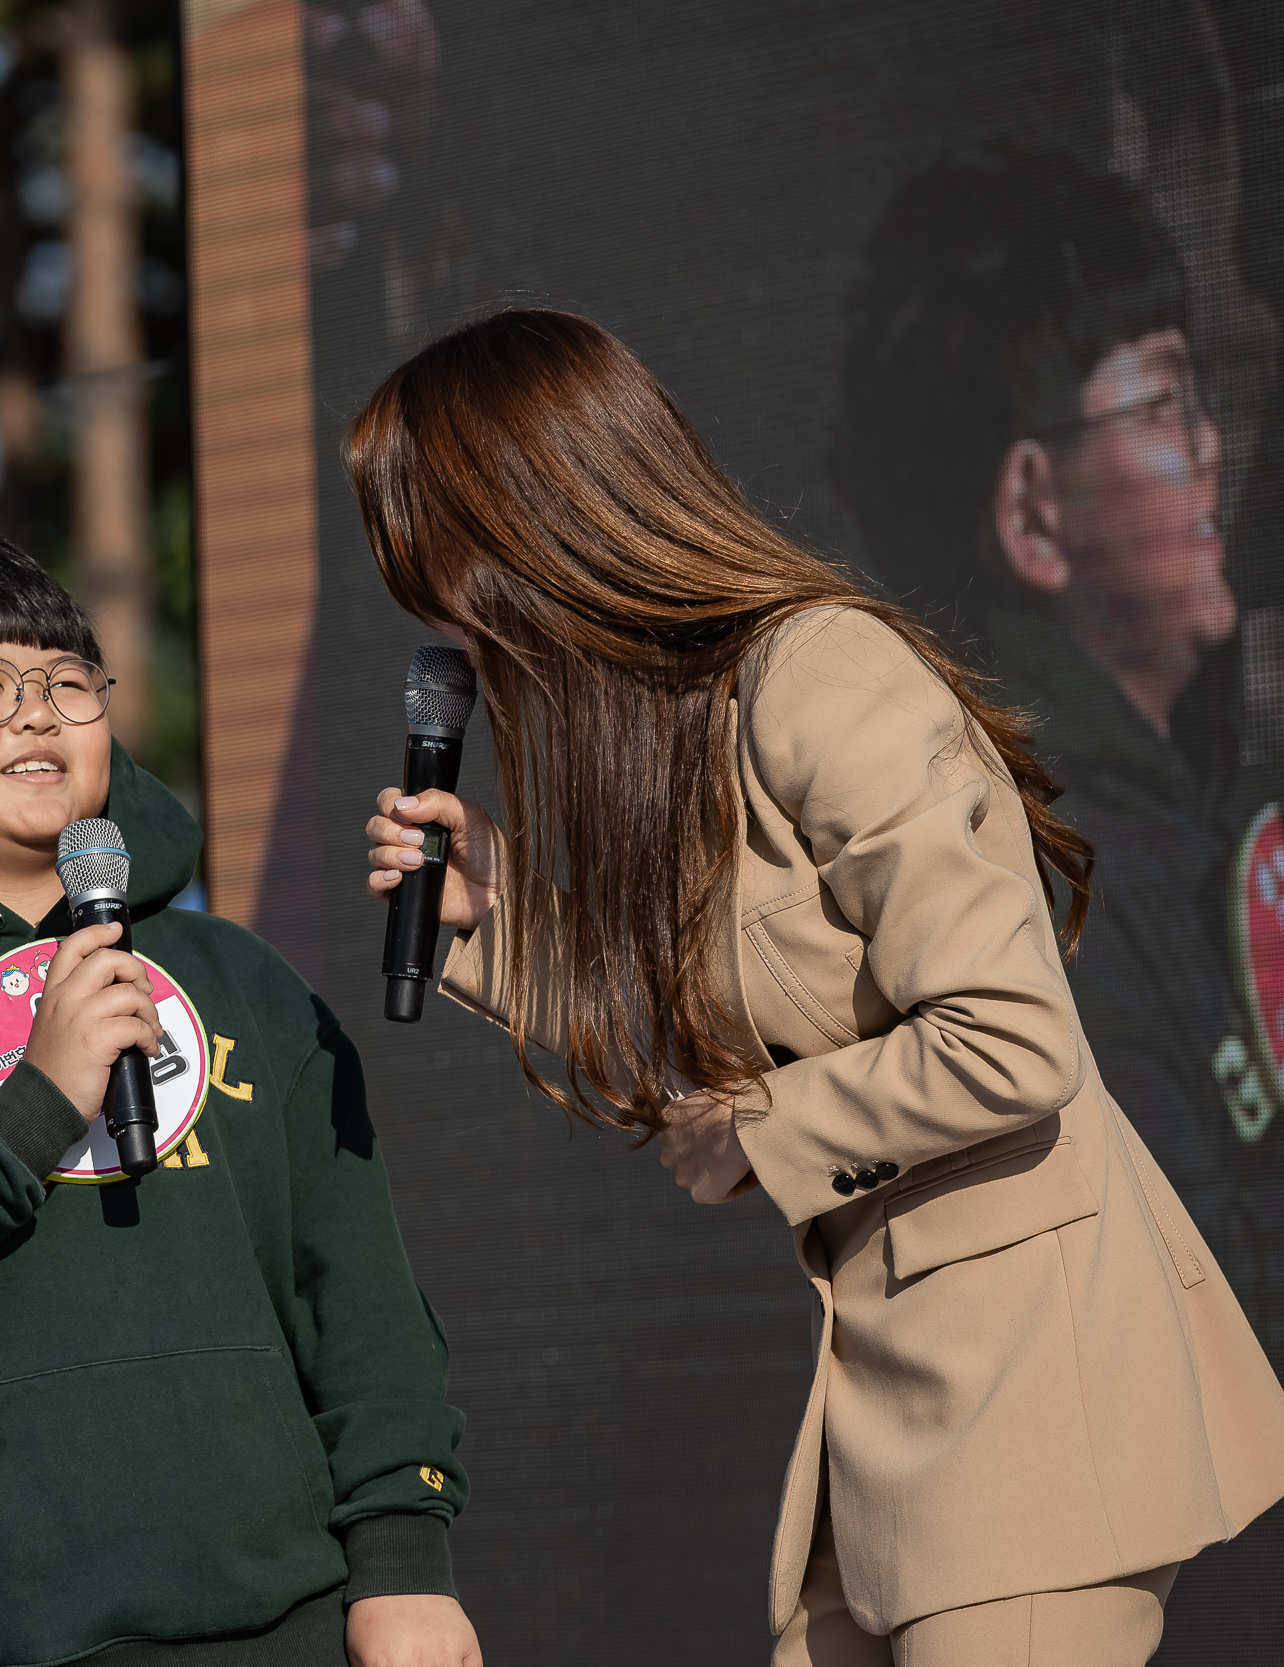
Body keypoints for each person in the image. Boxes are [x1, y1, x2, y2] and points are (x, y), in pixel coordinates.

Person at [349, 309, 1284, 1665]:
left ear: (545, 523)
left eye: (445, 571)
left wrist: (761, 1132)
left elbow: (1013, 1042)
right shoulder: (686, 734)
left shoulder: (820, 670)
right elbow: (693, 1073)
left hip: (1035, 1411)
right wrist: (498, 927)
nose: (446, 623)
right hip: (896, 1415)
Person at [0, 520, 480, 1667]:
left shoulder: (241, 980)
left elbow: (357, 1291)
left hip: (284, 1620)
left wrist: (403, 1563)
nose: (36, 711)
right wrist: (34, 1100)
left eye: (69, 682)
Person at [833, 153, 1284, 1351]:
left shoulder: (1172, 820)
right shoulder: (1026, 888)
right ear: (1033, 517)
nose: (1211, 447)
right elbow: (1179, 1328)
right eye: (1163, 404)